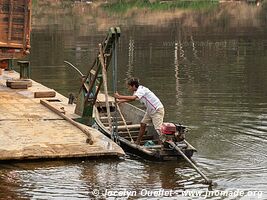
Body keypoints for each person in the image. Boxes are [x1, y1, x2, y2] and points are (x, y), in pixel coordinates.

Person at [114, 77, 164, 145]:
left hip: (157, 110)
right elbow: (133, 99)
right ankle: (138, 142)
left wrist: (119, 96)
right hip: (150, 111)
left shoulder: (141, 90)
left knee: (159, 130)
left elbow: (133, 98)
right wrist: (121, 101)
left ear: (134, 86)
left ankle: (162, 145)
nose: (129, 88)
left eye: (129, 87)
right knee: (143, 124)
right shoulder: (136, 91)